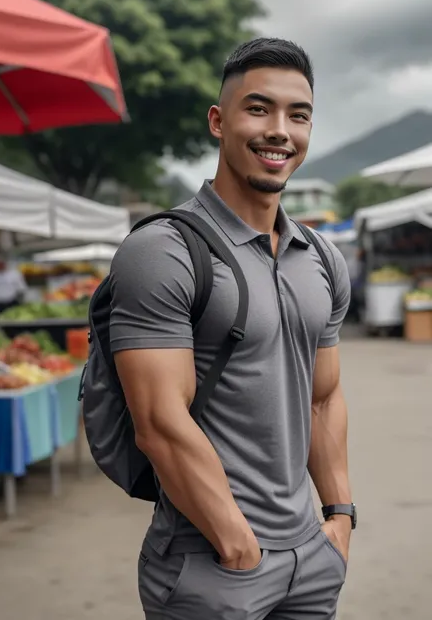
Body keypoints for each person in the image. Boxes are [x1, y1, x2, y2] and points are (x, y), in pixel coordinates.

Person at [110, 37, 354, 619]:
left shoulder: (320, 257)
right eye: (258, 108)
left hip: (312, 560)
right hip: (214, 561)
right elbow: (159, 425)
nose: (280, 130)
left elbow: (322, 399)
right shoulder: (163, 251)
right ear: (219, 121)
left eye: (298, 115)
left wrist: (340, 517)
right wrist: (239, 545)